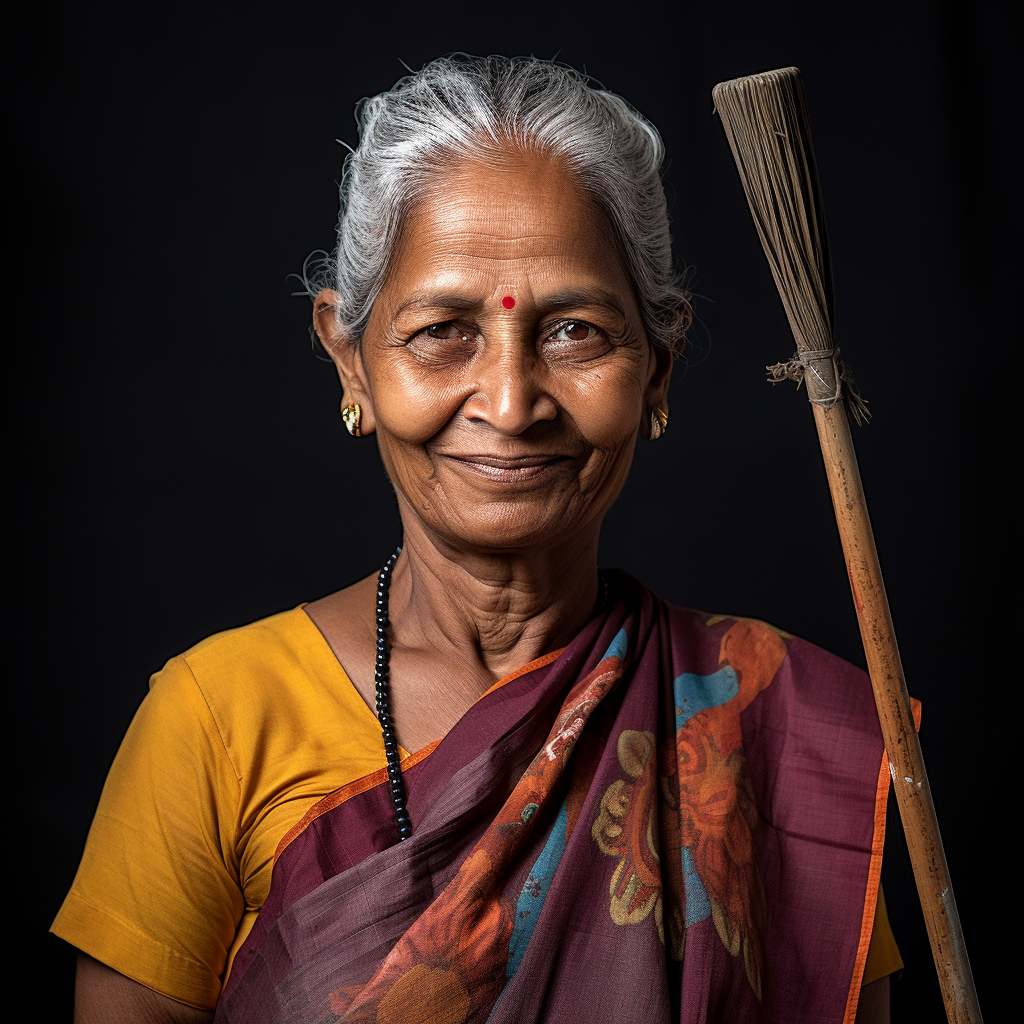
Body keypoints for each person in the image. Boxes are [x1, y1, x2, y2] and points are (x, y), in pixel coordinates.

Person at [54, 55, 903, 1023]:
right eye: (442, 330)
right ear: (351, 360)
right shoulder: (218, 721)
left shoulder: (760, 724)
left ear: (657, 367)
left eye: (575, 330)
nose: (509, 402)